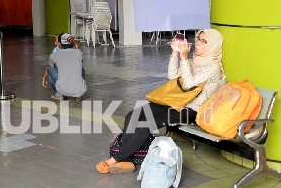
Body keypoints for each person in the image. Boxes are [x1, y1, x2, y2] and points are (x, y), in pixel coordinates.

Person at [96, 29, 226, 174]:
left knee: (144, 125)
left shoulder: (213, 67)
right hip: (173, 102)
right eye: (198, 39)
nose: (198, 43)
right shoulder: (192, 61)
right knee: (132, 116)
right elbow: (172, 75)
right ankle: (127, 160)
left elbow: (189, 84)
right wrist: (175, 54)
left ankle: (116, 159)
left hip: (190, 110)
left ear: (212, 46)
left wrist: (183, 59)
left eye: (204, 41)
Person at [41, 33, 85, 101]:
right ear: (71, 42)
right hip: (80, 91)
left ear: (60, 44)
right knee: (81, 68)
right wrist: (73, 42)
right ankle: (79, 96)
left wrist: (44, 77)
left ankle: (58, 95)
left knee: (50, 68)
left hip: (63, 90)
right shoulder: (79, 53)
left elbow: (48, 66)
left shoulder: (54, 55)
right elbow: (76, 47)